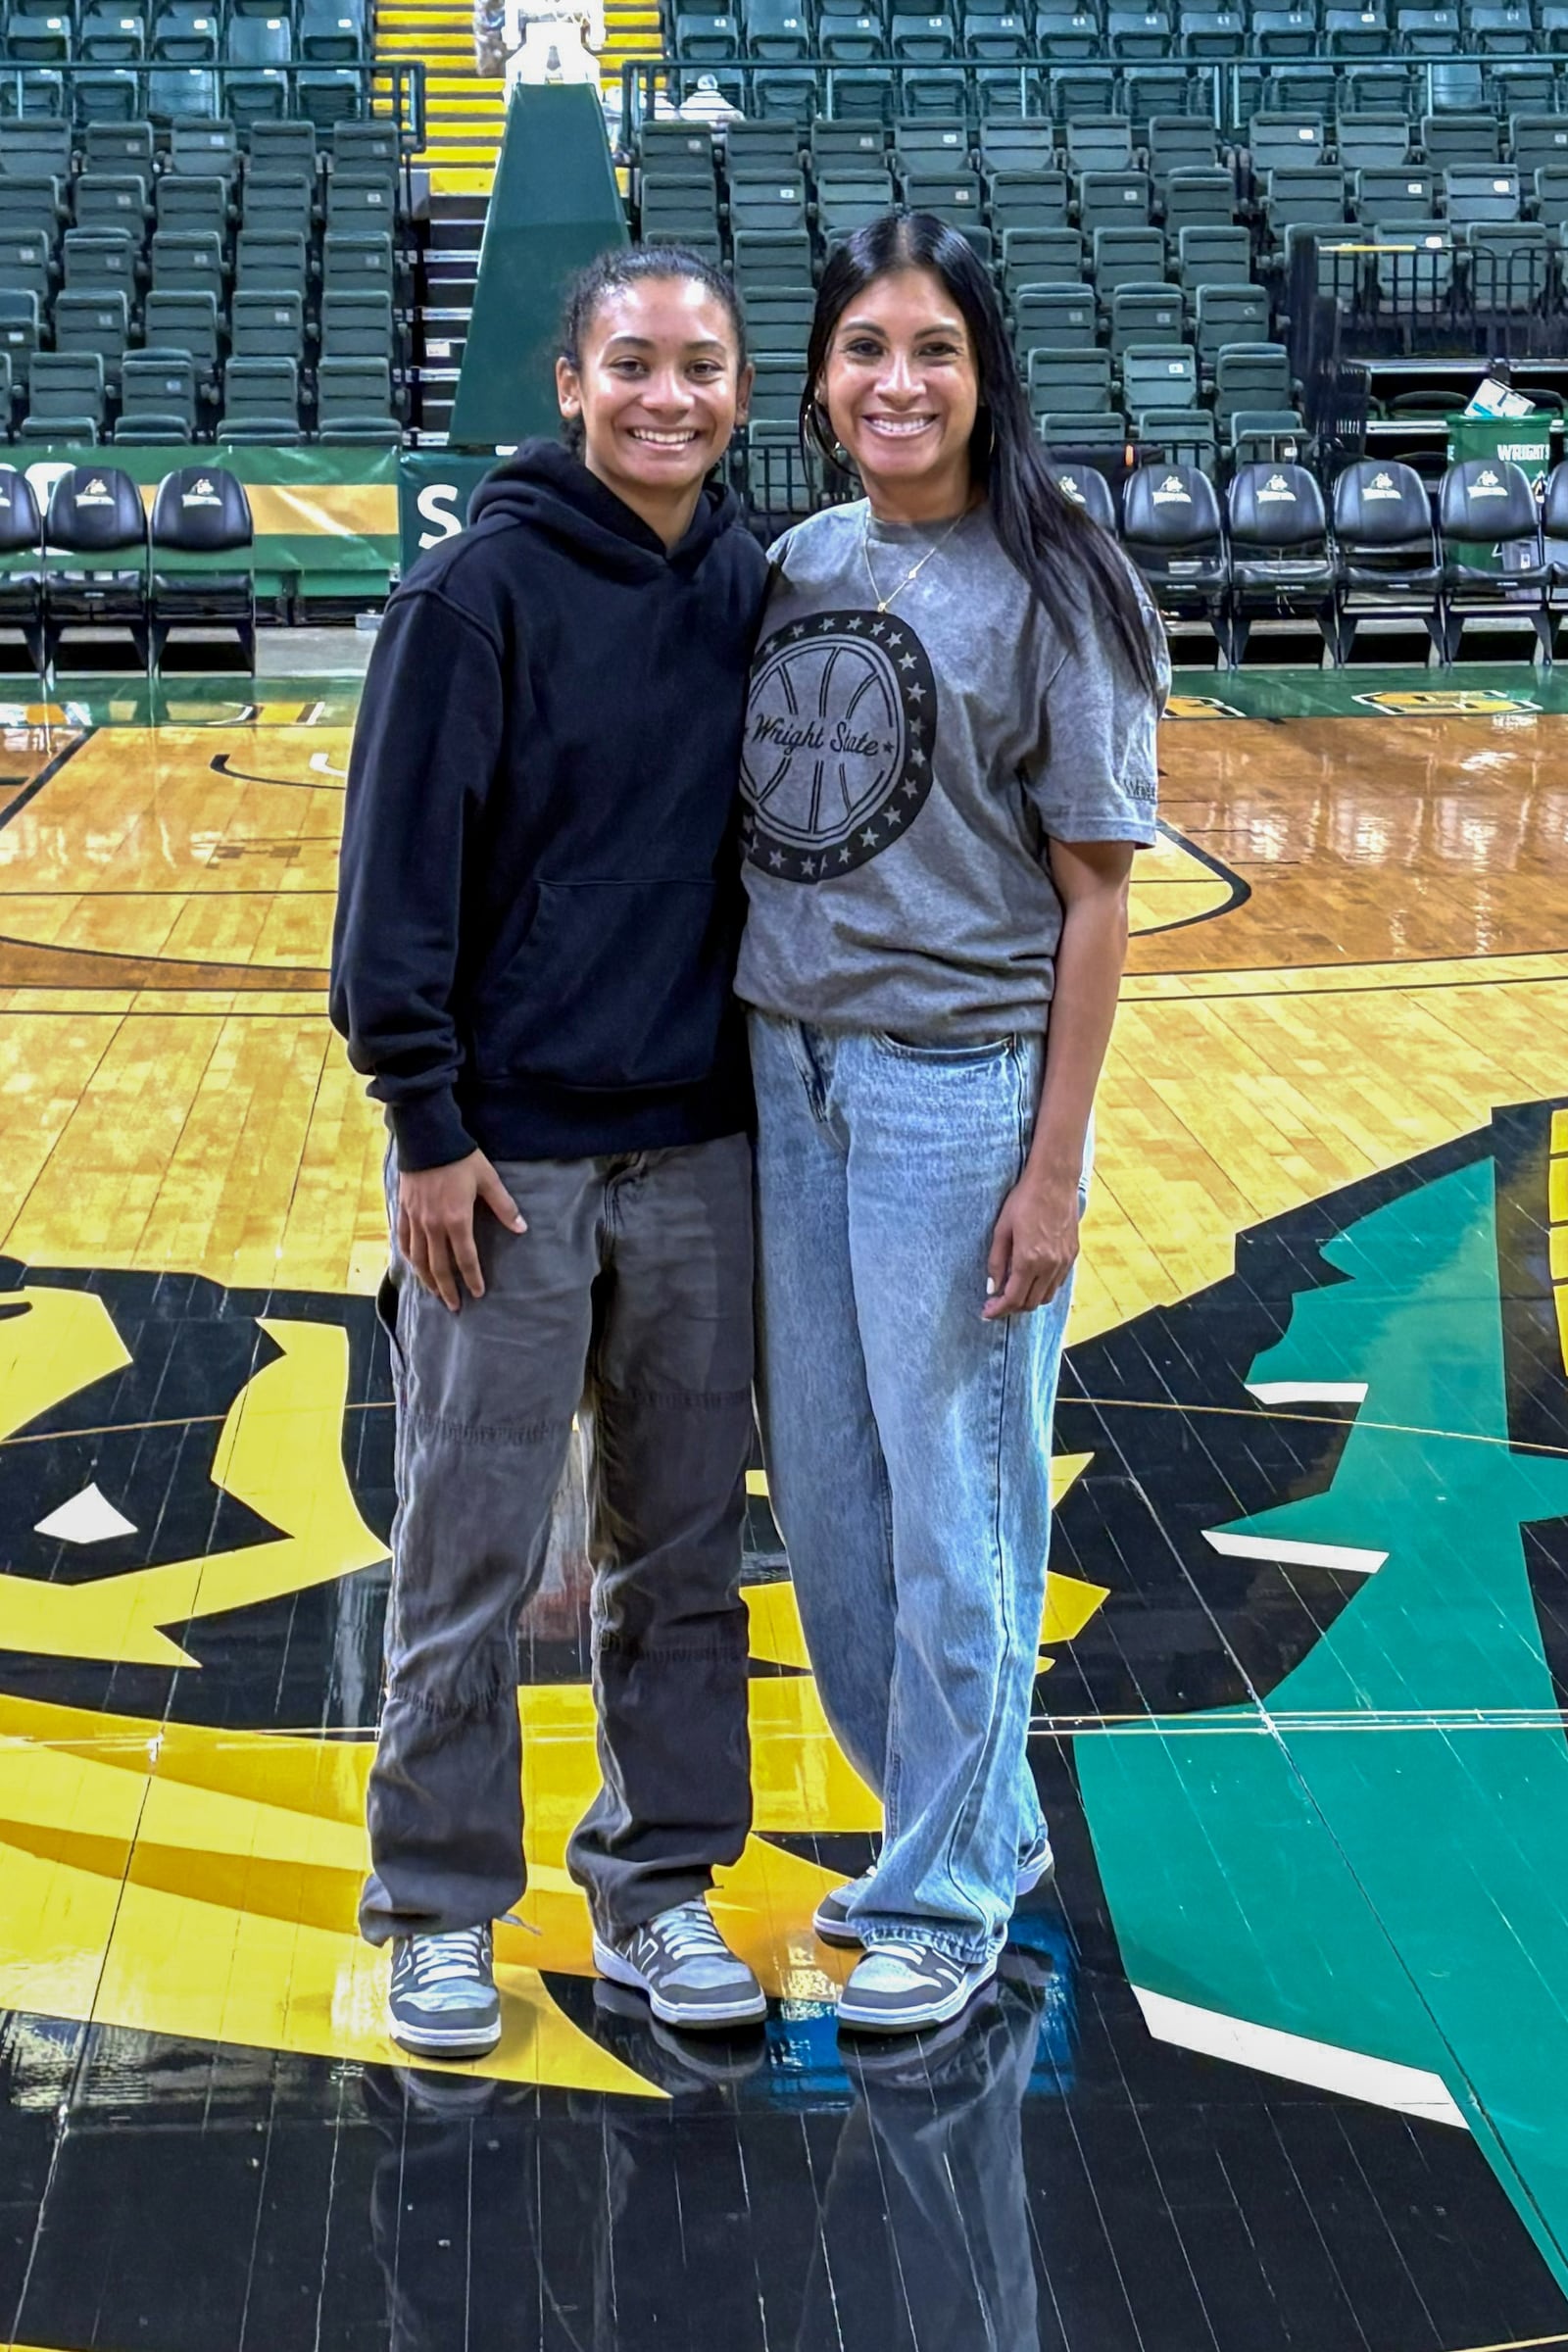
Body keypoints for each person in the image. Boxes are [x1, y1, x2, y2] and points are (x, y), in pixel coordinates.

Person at [330, 245, 769, 2059]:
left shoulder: (754, 585)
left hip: (704, 1154)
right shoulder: (473, 593)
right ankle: (438, 1908)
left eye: (702, 367)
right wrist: (426, 1126)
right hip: (504, 1164)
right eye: (634, 364)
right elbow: (390, 895)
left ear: (743, 391)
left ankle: (657, 1888)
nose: (670, 396)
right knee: (469, 1551)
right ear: (570, 383)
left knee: (683, 1562)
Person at [741, 212, 1168, 2034]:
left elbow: (1099, 897)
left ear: (987, 372)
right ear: (822, 379)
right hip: (786, 1072)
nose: (897, 382)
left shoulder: (1063, 582)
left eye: (933, 348)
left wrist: (1051, 1167)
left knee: (957, 1504)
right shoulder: (799, 564)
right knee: (831, 1504)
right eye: (865, 348)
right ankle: (962, 1822)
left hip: (956, 1087)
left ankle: (944, 1889)